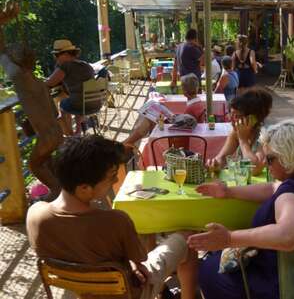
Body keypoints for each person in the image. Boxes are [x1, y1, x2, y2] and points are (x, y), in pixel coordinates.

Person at [188, 120, 294, 299]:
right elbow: (272, 188)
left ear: (289, 157)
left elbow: (290, 237)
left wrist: (229, 238)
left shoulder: (290, 195)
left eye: (270, 158)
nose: (265, 163)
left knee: (209, 270)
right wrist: (228, 191)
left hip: (291, 285)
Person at [26, 135, 197, 299]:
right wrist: (133, 264)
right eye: (111, 176)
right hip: (128, 294)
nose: (115, 180)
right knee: (188, 238)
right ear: (84, 188)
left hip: (79, 288)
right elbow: (140, 262)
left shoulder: (35, 215)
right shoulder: (116, 220)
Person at [123, 73, 206, 147]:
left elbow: (184, 127)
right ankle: (129, 141)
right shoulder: (198, 103)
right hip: (190, 133)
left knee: (149, 120)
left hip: (181, 138)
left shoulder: (191, 107)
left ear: (184, 91)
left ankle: (128, 141)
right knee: (151, 119)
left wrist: (171, 118)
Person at [206, 87, 272, 176]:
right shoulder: (236, 132)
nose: (231, 120)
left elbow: (254, 169)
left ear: (253, 118)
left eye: (237, 116)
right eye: (230, 114)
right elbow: (222, 157)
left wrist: (243, 141)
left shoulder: (265, 135)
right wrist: (215, 164)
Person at [45, 39, 100, 136]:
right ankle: (78, 131)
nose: (56, 58)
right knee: (76, 99)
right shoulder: (85, 64)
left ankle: (70, 135)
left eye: (57, 55)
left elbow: (49, 84)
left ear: (66, 54)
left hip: (82, 105)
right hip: (96, 103)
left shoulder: (65, 66)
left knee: (62, 104)